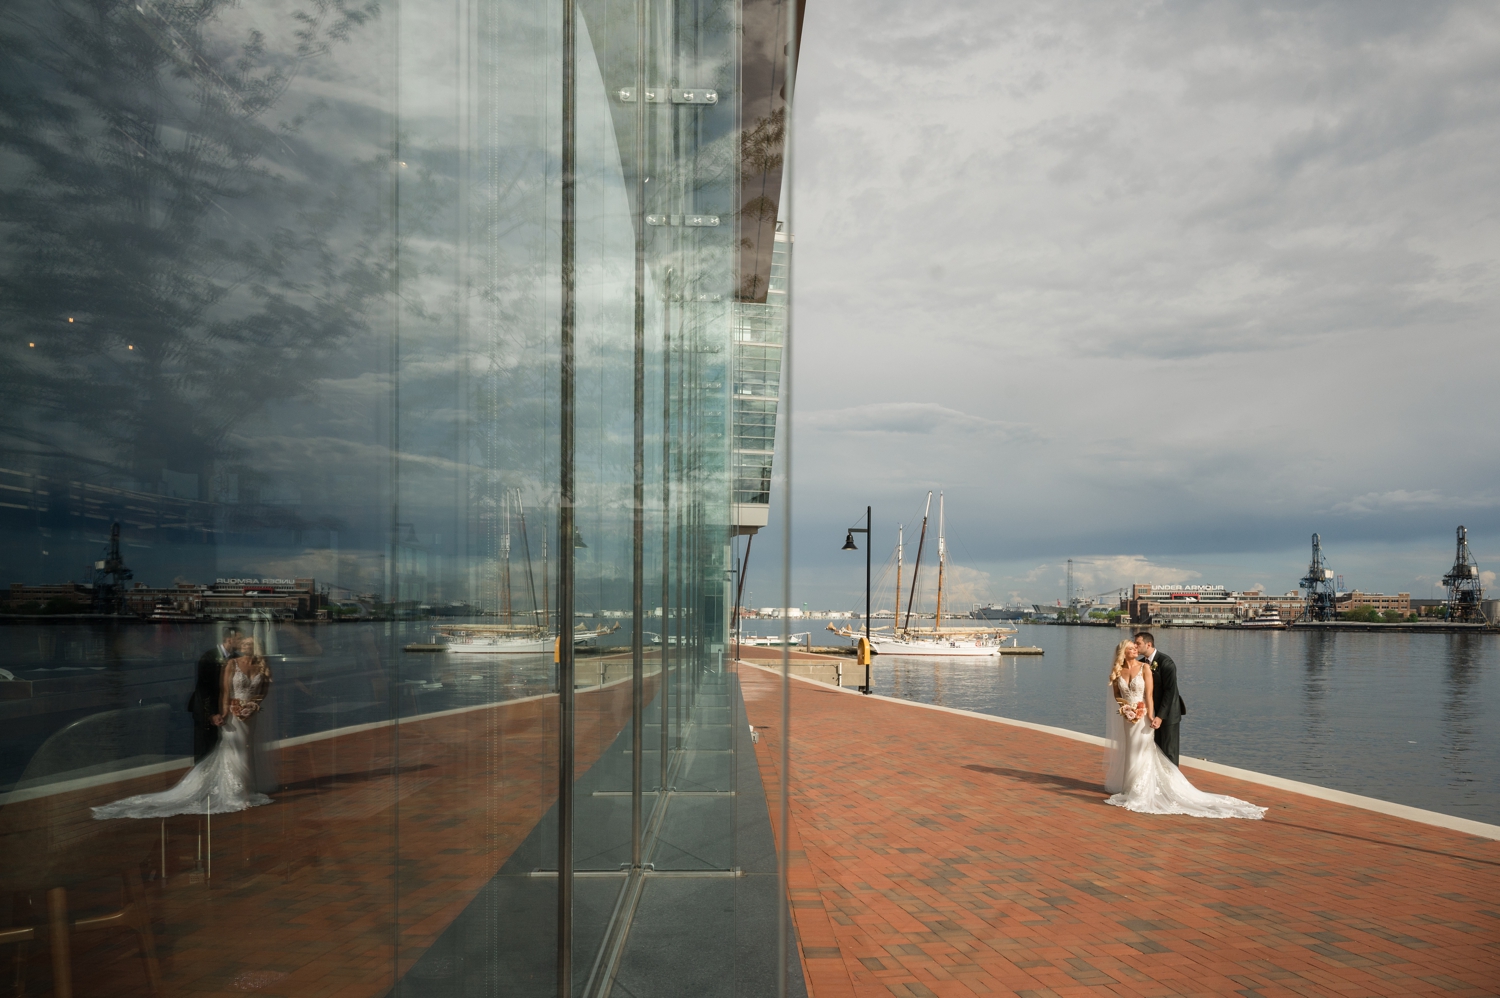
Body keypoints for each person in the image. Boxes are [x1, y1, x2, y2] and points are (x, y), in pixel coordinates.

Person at [94, 633, 274, 820]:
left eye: (249, 644)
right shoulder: (231, 664)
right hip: (232, 716)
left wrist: (253, 706)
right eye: (244, 644)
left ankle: (244, 790)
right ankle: (237, 795)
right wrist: (222, 714)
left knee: (246, 750)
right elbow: (224, 693)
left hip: (250, 717)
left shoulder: (262, 666)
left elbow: (262, 693)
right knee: (235, 752)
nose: (245, 647)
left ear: (256, 648)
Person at [1103, 637, 1264, 819]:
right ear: (1123, 652)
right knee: (1131, 751)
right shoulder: (1119, 671)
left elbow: (1150, 695)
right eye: (1132, 648)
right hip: (1128, 719)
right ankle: (1130, 788)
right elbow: (1118, 695)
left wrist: (1150, 715)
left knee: (1145, 752)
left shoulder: (1147, 667)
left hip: (1144, 716)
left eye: (1136, 646)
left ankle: (1143, 790)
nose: (1135, 649)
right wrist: (1125, 708)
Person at [188, 626, 239, 762]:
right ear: (228, 639)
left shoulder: (237, 659)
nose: (241, 642)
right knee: (205, 751)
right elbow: (203, 688)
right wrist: (211, 713)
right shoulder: (208, 657)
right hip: (206, 710)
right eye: (239, 639)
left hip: (226, 711)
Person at [1134, 631, 1184, 766]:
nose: (1135, 646)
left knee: (1168, 753)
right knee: (1153, 751)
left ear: (1148, 644)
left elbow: (1170, 692)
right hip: (1149, 714)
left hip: (1168, 714)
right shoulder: (1139, 664)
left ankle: (1172, 785)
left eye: (1138, 643)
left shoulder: (1166, 663)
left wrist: (1160, 716)